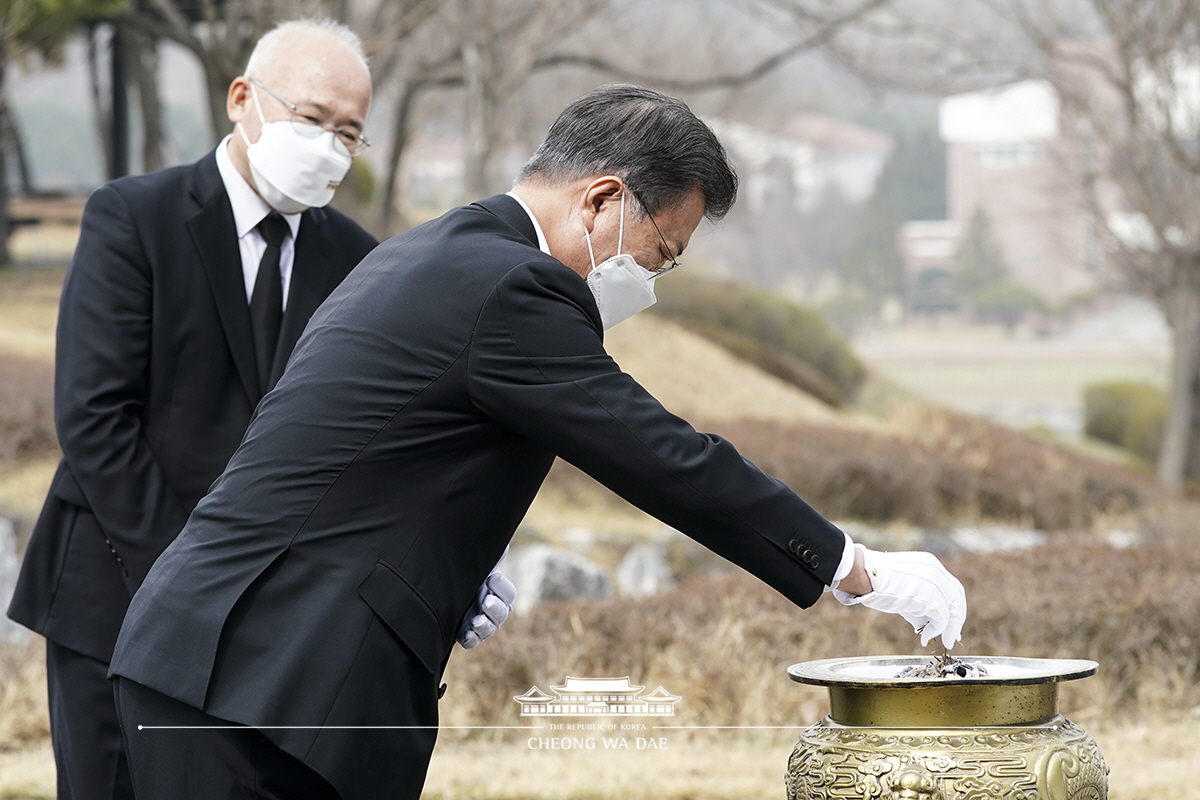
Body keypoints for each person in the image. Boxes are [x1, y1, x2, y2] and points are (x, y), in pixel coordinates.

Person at [109, 84, 966, 800]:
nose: (652, 282)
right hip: (265, 680)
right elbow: (663, 457)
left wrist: (445, 564)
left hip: (221, 659)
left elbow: (358, 450)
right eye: (660, 252)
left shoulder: (435, 251)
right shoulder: (514, 286)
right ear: (600, 199)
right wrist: (855, 567)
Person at [6, 19, 512, 800]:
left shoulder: (359, 261)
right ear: (243, 99)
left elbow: (369, 441)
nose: (330, 148)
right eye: (312, 120)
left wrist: (454, 557)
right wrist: (187, 584)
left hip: (262, 634)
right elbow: (95, 419)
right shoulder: (133, 216)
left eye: (350, 134)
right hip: (114, 588)